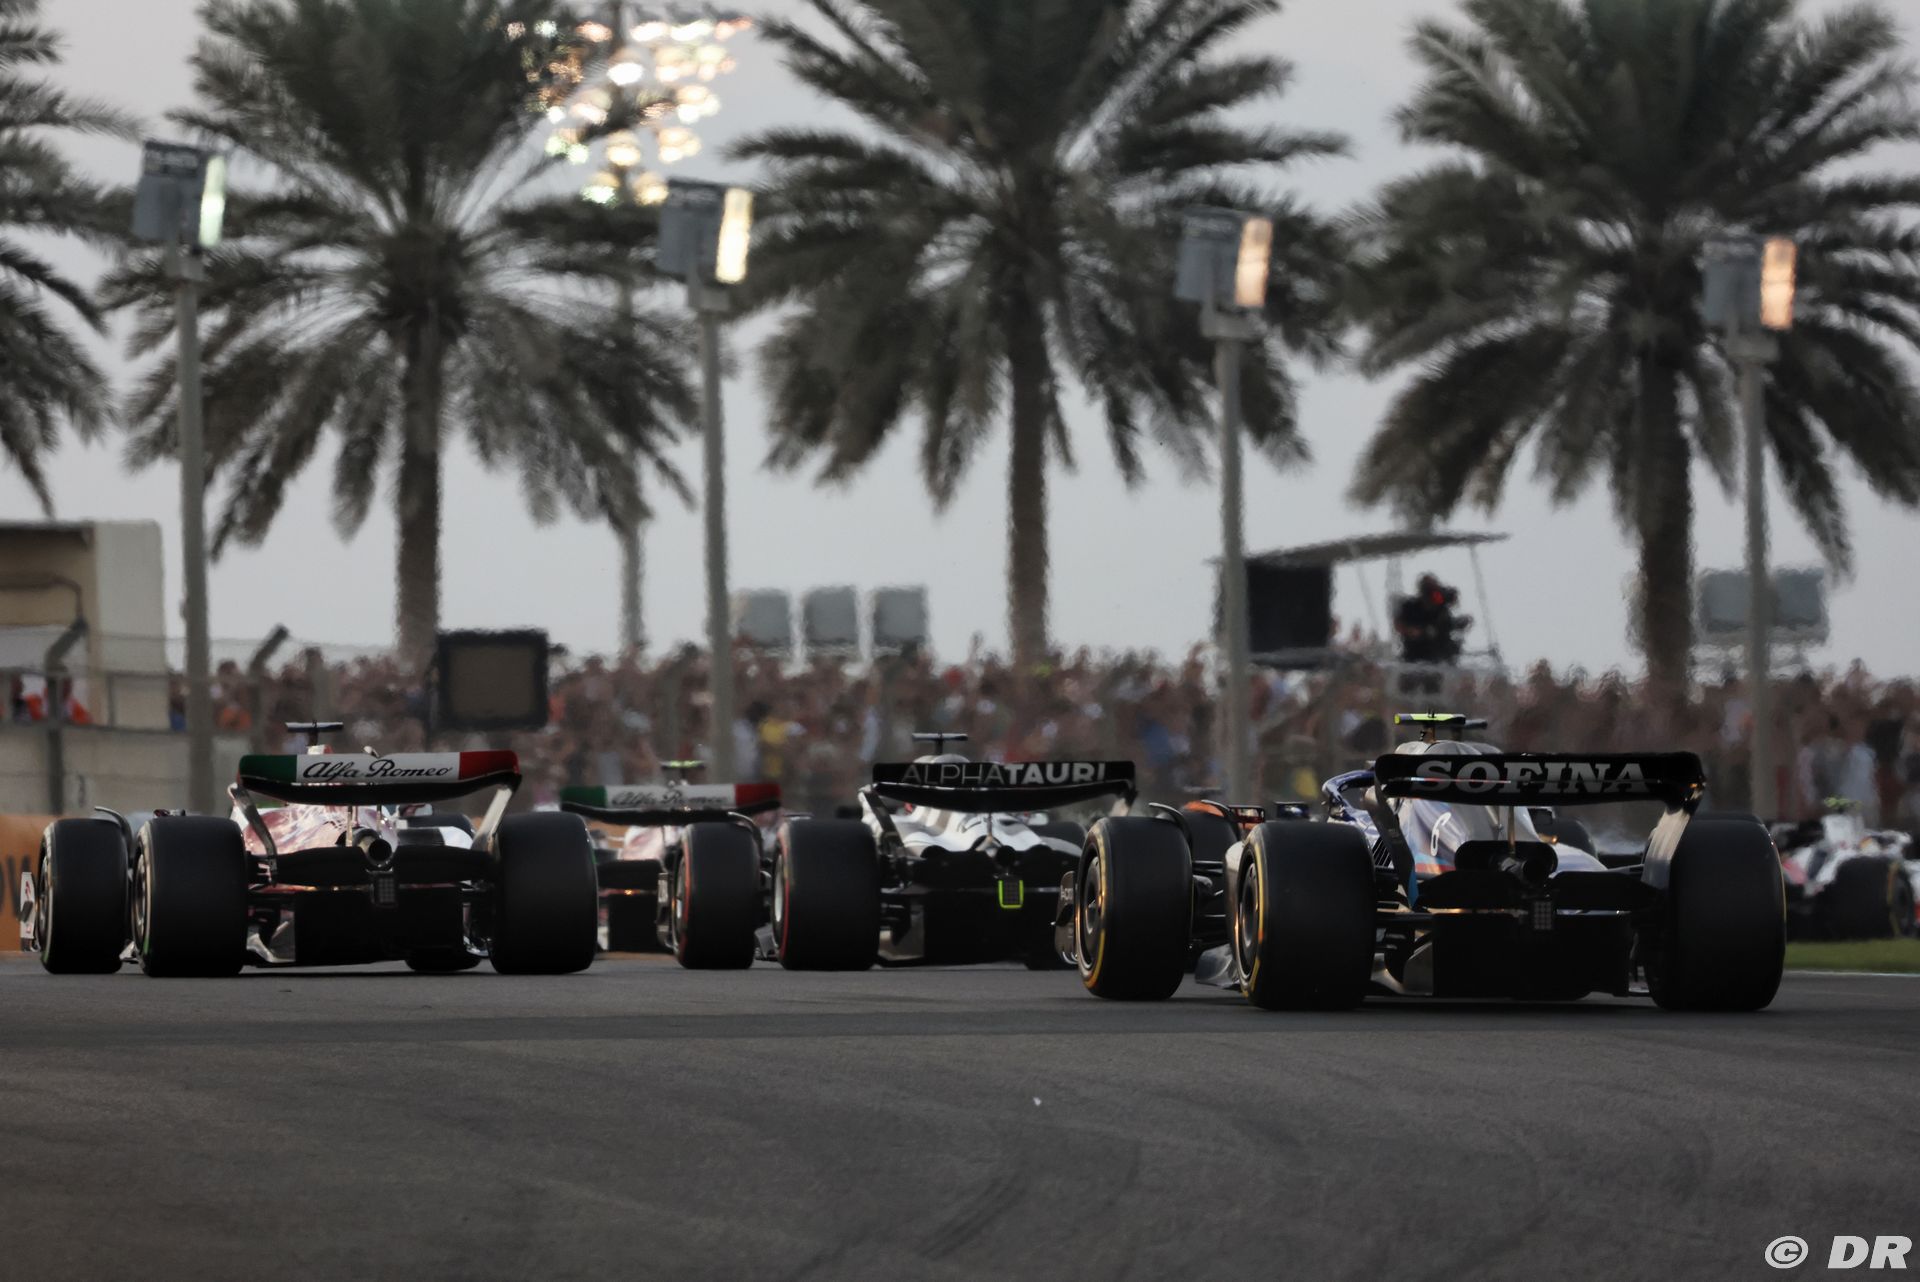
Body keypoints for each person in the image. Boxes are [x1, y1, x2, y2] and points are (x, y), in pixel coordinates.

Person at [1395, 573, 1472, 666]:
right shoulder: (1411, 607)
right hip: (1417, 655)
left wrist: (1458, 623)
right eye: (1428, 591)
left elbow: (1450, 599)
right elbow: (1401, 626)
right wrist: (1418, 631)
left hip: (1442, 654)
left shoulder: (1439, 607)